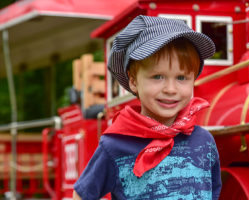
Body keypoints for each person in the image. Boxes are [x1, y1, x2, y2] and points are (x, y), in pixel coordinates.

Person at [73, 15, 222, 200]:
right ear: (134, 81)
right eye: (157, 76)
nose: (170, 89)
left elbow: (213, 191)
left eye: (181, 78)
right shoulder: (115, 145)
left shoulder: (204, 141)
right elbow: (82, 195)